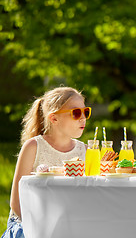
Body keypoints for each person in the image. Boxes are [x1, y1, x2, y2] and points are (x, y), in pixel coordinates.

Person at [2, 87, 89, 238]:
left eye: (85, 112)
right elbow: (16, 203)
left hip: (70, 225)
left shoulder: (85, 151)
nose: (83, 118)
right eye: (76, 113)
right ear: (54, 118)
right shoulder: (33, 147)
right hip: (29, 224)